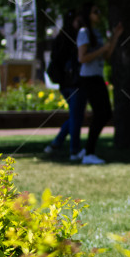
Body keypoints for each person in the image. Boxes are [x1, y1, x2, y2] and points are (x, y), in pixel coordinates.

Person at [76, 2, 123, 165]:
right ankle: (88, 152)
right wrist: (103, 49)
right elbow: (82, 58)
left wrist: (115, 37)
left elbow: (106, 55)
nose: (99, 14)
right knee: (102, 114)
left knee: (104, 114)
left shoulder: (96, 32)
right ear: (88, 14)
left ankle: (87, 150)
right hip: (89, 78)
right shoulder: (84, 32)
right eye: (96, 11)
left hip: (96, 76)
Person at [44, 9, 86, 160]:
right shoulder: (76, 38)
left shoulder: (59, 38)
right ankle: (74, 150)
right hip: (74, 83)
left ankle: (56, 143)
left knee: (76, 116)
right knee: (76, 117)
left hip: (64, 84)